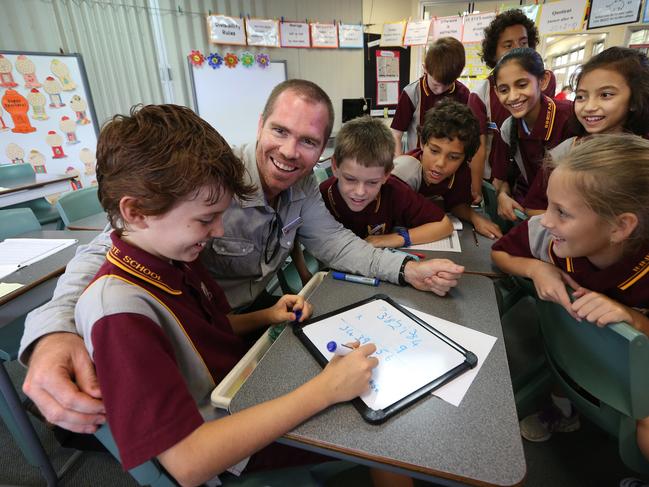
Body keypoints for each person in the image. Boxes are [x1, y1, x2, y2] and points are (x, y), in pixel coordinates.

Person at [19, 79, 464, 435]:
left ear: (323, 149)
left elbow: (338, 246)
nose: (290, 152)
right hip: (202, 337)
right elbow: (106, 249)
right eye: (280, 131)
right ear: (260, 124)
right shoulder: (212, 179)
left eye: (308, 141)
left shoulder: (304, 186)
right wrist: (53, 334)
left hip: (251, 322)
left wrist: (409, 270)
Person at [70, 103, 379, 485]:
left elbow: (200, 333)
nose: (217, 231)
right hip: (228, 441)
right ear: (136, 212)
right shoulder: (119, 313)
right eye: (205, 219)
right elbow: (188, 463)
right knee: (375, 427)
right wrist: (325, 390)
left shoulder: (172, 256)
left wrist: (265, 316)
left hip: (240, 387)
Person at [490, 134, 649, 457]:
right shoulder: (549, 236)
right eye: (548, 204)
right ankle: (563, 411)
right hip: (579, 366)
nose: (545, 220)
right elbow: (500, 253)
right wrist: (538, 269)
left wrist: (633, 319)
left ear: (620, 227)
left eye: (562, 212)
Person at [524, 46, 649, 213]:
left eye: (605, 95)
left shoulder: (642, 158)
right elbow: (533, 207)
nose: (589, 107)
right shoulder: (565, 152)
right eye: (581, 97)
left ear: (635, 100)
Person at [320, 115, 453, 247]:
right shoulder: (320, 196)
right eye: (350, 179)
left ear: (386, 174)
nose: (360, 192)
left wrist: (394, 239)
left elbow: (444, 225)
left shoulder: (395, 191)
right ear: (335, 167)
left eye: (372, 182)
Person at [468, 9, 557, 204]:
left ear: (541, 82)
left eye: (523, 43)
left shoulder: (547, 89)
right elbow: (479, 147)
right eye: (508, 45)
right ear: (493, 52)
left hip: (544, 187)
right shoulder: (480, 96)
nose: (518, 49)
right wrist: (478, 191)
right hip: (500, 183)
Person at [392, 99, 502, 240]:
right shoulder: (402, 173)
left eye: (454, 157)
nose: (440, 163)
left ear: (465, 158)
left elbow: (456, 203)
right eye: (434, 151)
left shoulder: (461, 172)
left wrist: (474, 217)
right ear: (422, 143)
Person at [491, 48, 574, 221]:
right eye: (504, 90)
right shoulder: (508, 128)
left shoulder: (570, 120)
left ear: (543, 81)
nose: (513, 96)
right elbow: (502, 178)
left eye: (522, 85)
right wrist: (503, 195)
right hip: (526, 213)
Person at [391, 37, 469, 156]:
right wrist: (398, 163)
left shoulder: (463, 94)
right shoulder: (412, 93)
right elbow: (396, 134)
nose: (440, 91)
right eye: (436, 84)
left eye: (447, 85)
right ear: (425, 68)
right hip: (416, 162)